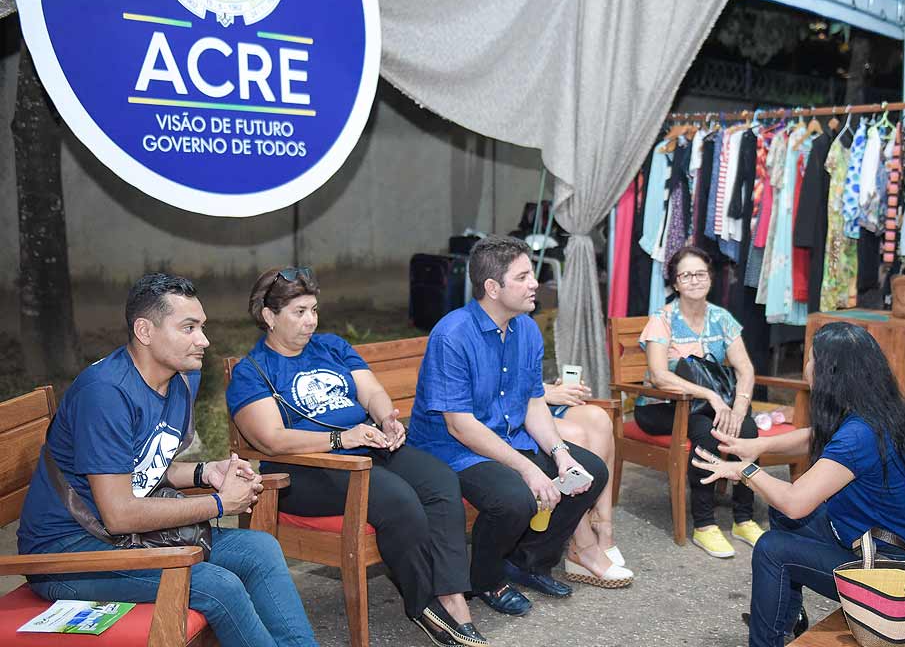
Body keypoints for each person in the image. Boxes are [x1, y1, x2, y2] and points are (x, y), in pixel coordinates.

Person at [17, 273, 317, 646]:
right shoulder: (106, 394)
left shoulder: (182, 378)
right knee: (217, 585)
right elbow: (120, 513)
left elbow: (145, 466)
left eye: (202, 326)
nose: (204, 340)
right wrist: (219, 504)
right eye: (188, 328)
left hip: (126, 538)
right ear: (145, 331)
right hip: (66, 554)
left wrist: (208, 472)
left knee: (260, 550)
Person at [226, 266, 486, 647]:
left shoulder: (331, 346)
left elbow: (372, 392)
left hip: (365, 446)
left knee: (441, 481)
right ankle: (423, 603)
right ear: (269, 316)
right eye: (299, 312)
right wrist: (340, 439)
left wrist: (386, 418)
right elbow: (272, 440)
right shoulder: (254, 372)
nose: (310, 320)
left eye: (313, 310)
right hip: (306, 472)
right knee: (398, 500)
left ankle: (451, 595)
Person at [409, 235, 629, 619]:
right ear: (493, 288)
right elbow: (460, 426)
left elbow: (531, 402)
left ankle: (527, 563)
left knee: (588, 471)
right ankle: (487, 579)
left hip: (508, 437)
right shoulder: (452, 334)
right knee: (514, 498)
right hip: (452, 451)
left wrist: (560, 456)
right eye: (524, 276)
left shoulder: (524, 328)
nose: (534, 284)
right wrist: (528, 468)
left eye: (533, 275)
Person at [694, 321, 905, 647]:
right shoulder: (873, 410)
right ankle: (785, 617)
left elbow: (796, 500)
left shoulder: (859, 433)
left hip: (895, 573)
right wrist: (760, 446)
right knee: (783, 517)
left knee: (772, 549)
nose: (805, 365)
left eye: (811, 359)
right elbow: (815, 438)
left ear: (831, 372)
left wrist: (745, 472)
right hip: (884, 545)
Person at [633, 245, 764, 557]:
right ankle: (704, 525)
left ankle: (743, 519)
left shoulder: (722, 318)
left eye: (700, 274)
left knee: (745, 428)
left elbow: (745, 368)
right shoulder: (662, 318)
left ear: (710, 278)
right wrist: (711, 396)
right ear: (676, 283)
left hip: (711, 406)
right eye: (686, 275)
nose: (694, 280)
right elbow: (659, 375)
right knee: (706, 430)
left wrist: (738, 407)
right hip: (661, 406)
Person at [545, 381, 626, 569]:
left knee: (599, 418)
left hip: (537, 402)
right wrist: (544, 393)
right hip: (512, 408)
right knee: (575, 434)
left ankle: (602, 522)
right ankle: (581, 541)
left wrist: (555, 387)